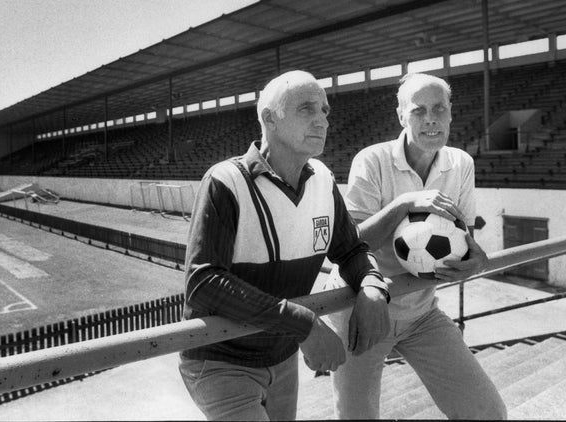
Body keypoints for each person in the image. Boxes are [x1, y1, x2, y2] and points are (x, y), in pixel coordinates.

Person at [178, 70, 391, 421]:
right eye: (307, 109)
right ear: (269, 119)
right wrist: (303, 324)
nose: (322, 119)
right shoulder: (226, 181)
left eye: (325, 110)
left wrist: (372, 286)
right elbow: (203, 284)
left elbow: (351, 250)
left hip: (281, 356)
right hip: (220, 359)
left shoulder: (322, 179)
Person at [323, 72, 507, 420]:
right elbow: (350, 246)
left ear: (451, 113)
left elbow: (463, 237)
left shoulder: (461, 163)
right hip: (361, 311)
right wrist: (405, 202)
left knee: (487, 412)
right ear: (401, 116)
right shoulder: (372, 160)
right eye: (419, 110)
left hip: (421, 312)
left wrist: (476, 258)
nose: (431, 119)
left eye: (439, 109)